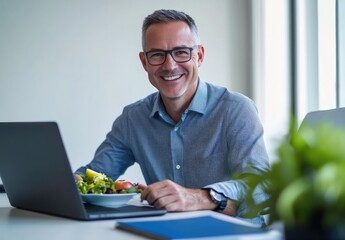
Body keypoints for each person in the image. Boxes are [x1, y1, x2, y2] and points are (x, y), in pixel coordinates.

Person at [76, 9, 270, 225]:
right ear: (144, 62)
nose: (170, 66)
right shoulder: (133, 119)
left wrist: (200, 197)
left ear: (200, 56)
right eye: (158, 54)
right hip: (167, 232)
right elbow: (95, 176)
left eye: (181, 52)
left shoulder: (236, 110)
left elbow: (261, 188)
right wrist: (70, 182)